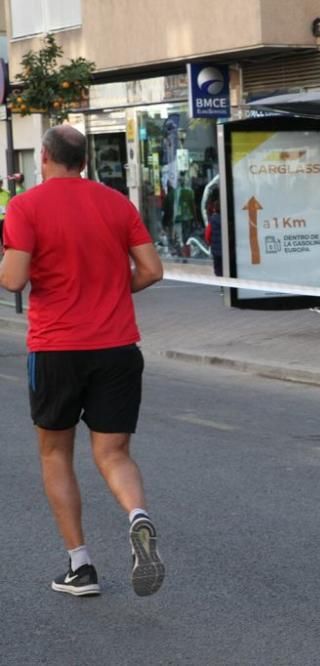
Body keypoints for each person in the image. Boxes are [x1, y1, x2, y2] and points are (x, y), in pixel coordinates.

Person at [0, 126, 166, 598]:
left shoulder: (26, 206)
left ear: (46, 157)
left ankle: (80, 566)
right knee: (114, 454)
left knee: (55, 453)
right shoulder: (116, 203)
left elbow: (13, 280)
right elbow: (152, 270)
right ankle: (138, 515)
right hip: (116, 347)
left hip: (57, 349)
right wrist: (112, 291)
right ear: (85, 161)